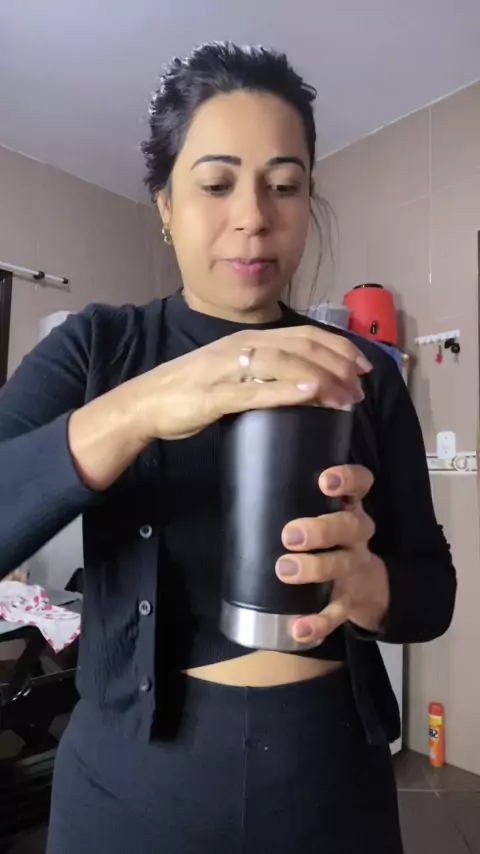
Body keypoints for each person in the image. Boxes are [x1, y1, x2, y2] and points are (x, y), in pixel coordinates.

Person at [0, 42, 456, 854]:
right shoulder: (97, 348)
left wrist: (369, 586)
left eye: (285, 185)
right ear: (165, 204)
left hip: (329, 781)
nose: (253, 216)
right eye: (215, 185)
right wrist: (139, 406)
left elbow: (433, 593)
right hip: (131, 787)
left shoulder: (363, 371)